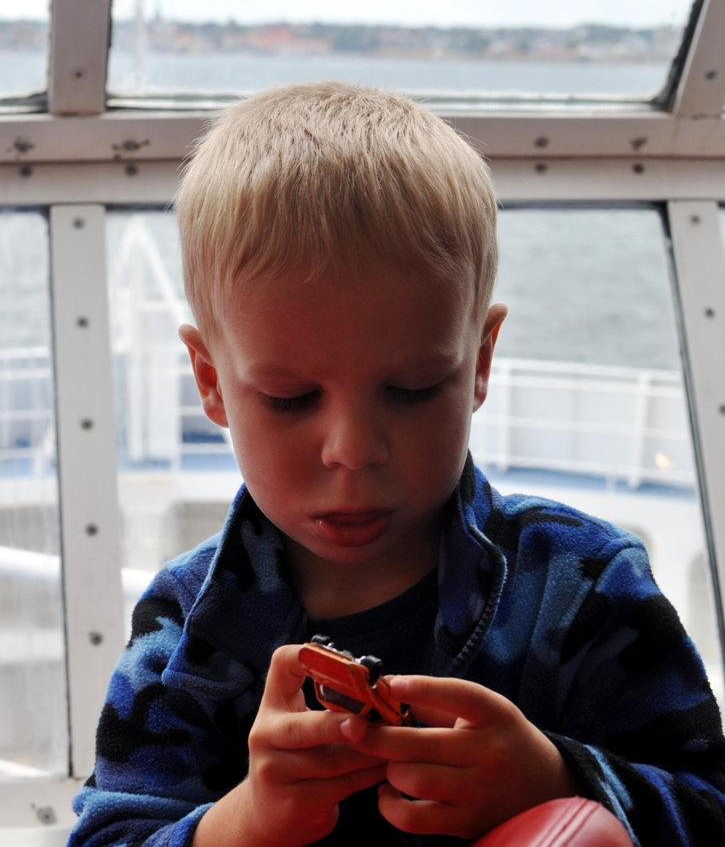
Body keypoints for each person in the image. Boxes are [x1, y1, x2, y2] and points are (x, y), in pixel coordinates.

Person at [67, 81, 725, 847]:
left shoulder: (580, 585)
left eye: (411, 388)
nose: (352, 450)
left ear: (479, 362)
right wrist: (241, 823)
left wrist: (556, 779)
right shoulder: (184, 627)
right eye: (289, 397)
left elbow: (708, 808)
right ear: (210, 382)